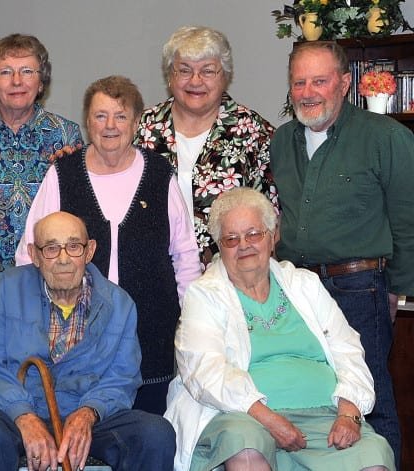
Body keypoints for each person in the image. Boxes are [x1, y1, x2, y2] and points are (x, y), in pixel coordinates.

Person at [165, 187, 393, 471]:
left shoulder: (304, 284)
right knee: (245, 443)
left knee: (373, 456)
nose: (244, 245)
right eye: (231, 239)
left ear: (272, 238)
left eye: (253, 234)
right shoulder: (204, 294)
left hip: (325, 417)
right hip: (243, 416)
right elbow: (204, 371)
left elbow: (347, 349)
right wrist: (269, 419)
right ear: (219, 247)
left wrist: (349, 413)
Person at [16, 75, 202, 414]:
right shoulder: (63, 174)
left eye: (120, 116)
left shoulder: (160, 175)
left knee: (147, 431)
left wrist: (188, 320)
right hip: (74, 335)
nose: (110, 126)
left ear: (136, 123)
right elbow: (29, 252)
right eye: (100, 116)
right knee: (79, 427)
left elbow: (185, 255)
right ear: (87, 122)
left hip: (152, 332)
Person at [270, 40, 414, 464]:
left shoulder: (386, 137)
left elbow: (408, 218)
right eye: (299, 82)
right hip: (297, 288)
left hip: (360, 288)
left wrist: (397, 290)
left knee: (371, 400)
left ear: (345, 83)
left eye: (320, 80)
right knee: (313, 394)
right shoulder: (282, 141)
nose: (308, 91)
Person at [0, 211, 174, 471]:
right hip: (15, 407)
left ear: (89, 251)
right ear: (34, 255)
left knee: (155, 434)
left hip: (86, 411)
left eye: (73, 247)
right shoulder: (9, 288)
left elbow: (122, 377)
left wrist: (89, 412)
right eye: (50, 248)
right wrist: (23, 414)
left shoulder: (119, 304)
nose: (63, 259)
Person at [136, 26, 277, 264]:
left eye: (208, 71)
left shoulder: (254, 132)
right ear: (170, 76)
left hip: (230, 276)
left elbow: (272, 218)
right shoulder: (143, 128)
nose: (195, 80)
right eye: (184, 70)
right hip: (154, 271)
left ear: (225, 77)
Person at [0, 33, 83, 274]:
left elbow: (79, 212)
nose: (17, 81)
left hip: (50, 274)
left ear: (42, 82)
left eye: (28, 71)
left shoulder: (66, 136)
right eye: (5, 72)